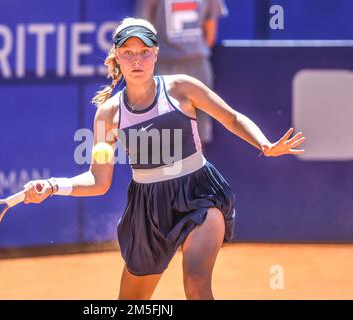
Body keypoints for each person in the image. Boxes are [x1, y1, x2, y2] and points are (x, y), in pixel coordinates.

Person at [23, 18, 305, 300]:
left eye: (144, 51)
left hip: (200, 195)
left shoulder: (181, 88)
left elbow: (230, 118)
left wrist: (264, 144)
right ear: (117, 57)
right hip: (147, 210)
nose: (137, 60)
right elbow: (99, 179)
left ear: (156, 54)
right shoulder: (107, 115)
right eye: (129, 52)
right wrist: (51, 185)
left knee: (196, 281)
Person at [136, 0, 229, 151]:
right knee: (160, 132)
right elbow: (144, 29)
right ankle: (165, 174)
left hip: (197, 65)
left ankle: (195, 174)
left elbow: (210, 35)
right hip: (162, 65)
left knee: (198, 135)